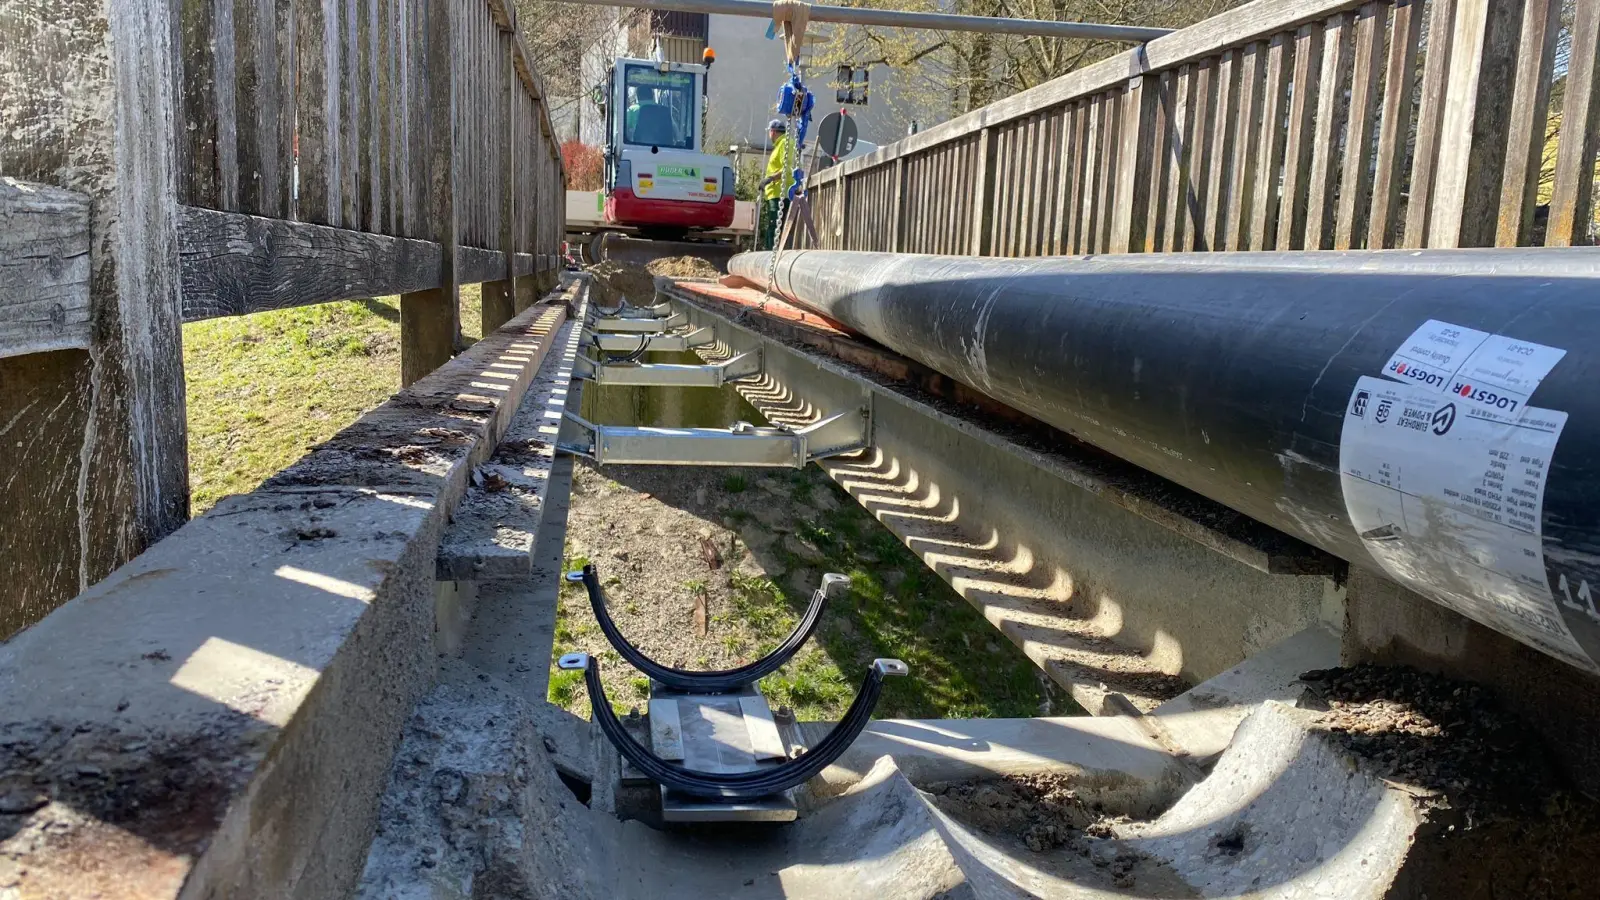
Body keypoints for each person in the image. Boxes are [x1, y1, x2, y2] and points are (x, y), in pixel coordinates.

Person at [757, 119, 795, 251]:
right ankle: (769, 252)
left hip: (780, 193)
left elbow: (788, 168)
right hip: (775, 192)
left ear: (772, 132)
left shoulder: (785, 143)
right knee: (773, 226)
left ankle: (772, 254)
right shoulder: (780, 145)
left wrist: (770, 178)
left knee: (775, 226)